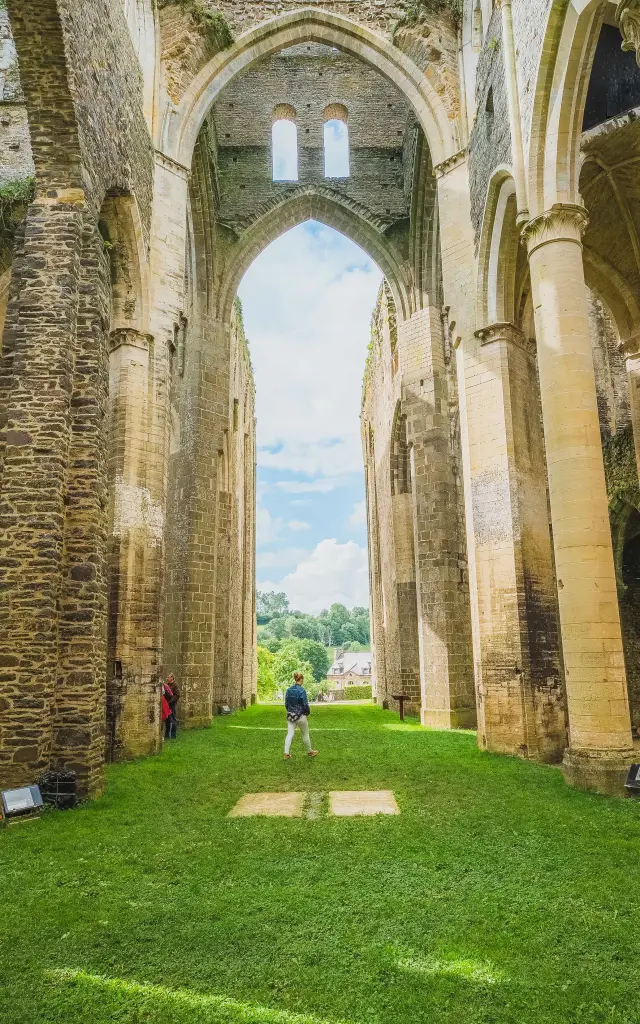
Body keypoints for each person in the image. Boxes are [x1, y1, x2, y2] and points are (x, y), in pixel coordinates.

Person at [284, 672, 318, 759]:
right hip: (300, 715)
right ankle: (310, 751)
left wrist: (290, 711)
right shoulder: (302, 690)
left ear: (295, 679)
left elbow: (286, 704)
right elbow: (305, 704)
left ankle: (286, 753)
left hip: (291, 715)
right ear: (301, 679)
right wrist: (307, 712)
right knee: (305, 734)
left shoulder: (288, 690)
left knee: (289, 734)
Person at [165, 674, 180, 740]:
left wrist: (171, 701)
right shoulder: (167, 685)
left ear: (172, 678)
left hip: (171, 705)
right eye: (167, 677)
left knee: (173, 719)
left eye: (168, 677)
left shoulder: (175, 685)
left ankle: (173, 735)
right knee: (167, 720)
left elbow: (177, 695)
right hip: (166, 704)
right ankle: (167, 735)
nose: (167, 678)